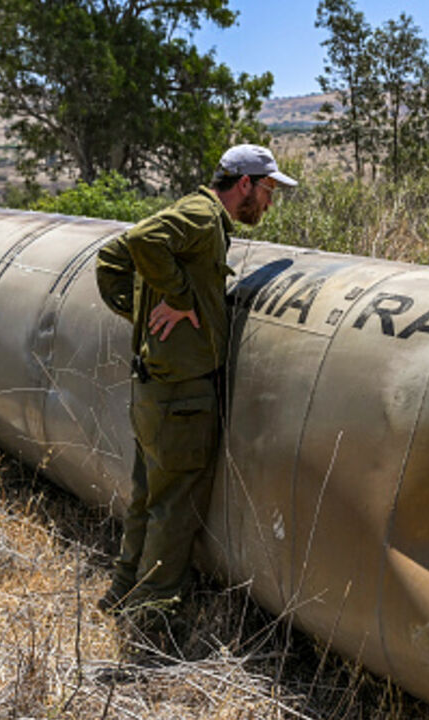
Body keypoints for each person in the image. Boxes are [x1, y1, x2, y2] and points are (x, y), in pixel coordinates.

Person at [95, 144, 296, 617]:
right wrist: (182, 298)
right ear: (244, 183)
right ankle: (152, 613)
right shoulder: (203, 219)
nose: (270, 203)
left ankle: (123, 589)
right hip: (181, 392)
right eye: (268, 190)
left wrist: (148, 318)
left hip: (156, 386)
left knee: (149, 497)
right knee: (175, 507)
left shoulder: (196, 216)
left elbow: (111, 260)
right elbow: (142, 241)